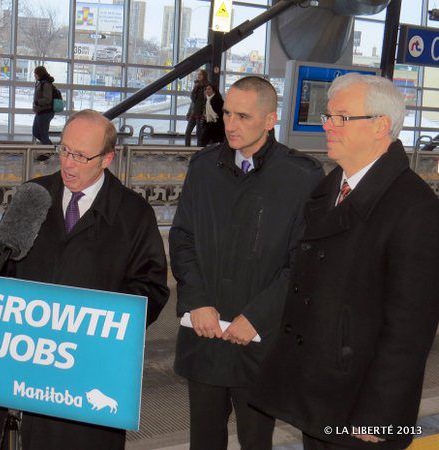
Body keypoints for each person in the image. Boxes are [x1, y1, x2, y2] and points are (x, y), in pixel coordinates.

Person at [0, 109, 170, 449]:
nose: (68, 164)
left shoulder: (133, 213)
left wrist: (105, 324)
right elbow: (4, 266)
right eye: (65, 150)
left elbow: (153, 288)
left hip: (93, 370)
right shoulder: (33, 196)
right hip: (31, 364)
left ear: (107, 159)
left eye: (81, 156)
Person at [250, 73, 439, 450]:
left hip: (364, 409)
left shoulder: (415, 208)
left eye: (342, 117)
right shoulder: (330, 189)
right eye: (328, 115)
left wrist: (378, 416)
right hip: (318, 392)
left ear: (380, 126)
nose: (327, 126)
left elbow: (410, 331)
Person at [170, 76, 324, 450]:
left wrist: (258, 316)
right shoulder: (204, 167)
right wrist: (198, 301)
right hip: (205, 335)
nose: (231, 124)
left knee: (257, 441)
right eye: (226, 113)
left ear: (271, 119)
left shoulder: (301, 176)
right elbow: (183, 238)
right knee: (203, 441)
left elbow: (302, 263)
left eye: (243, 116)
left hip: (260, 342)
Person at [184, 69, 208, 147]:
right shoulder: (196, 86)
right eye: (198, 74)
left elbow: (206, 102)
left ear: (204, 76)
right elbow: (193, 102)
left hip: (200, 114)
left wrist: (204, 114)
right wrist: (189, 112)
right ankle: (187, 150)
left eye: (200, 74)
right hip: (193, 113)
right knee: (187, 132)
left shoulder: (206, 87)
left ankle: (198, 152)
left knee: (199, 134)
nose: (198, 76)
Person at [32, 66, 55, 144]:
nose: (34, 75)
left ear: (39, 73)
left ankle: (47, 152)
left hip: (45, 112)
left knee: (43, 134)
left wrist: (38, 102)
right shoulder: (40, 83)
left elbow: (48, 99)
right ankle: (49, 147)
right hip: (40, 111)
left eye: (35, 74)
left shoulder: (46, 84)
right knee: (36, 132)